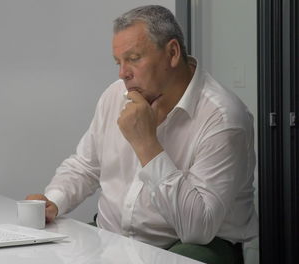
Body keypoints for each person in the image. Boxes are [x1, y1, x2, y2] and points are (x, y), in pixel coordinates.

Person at [26, 5, 258, 264]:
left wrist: (146, 143)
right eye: (118, 62)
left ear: (172, 53)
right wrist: (54, 201)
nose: (122, 73)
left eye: (134, 58)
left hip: (191, 247)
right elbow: (86, 165)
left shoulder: (223, 119)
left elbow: (197, 228)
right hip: (113, 237)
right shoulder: (115, 95)